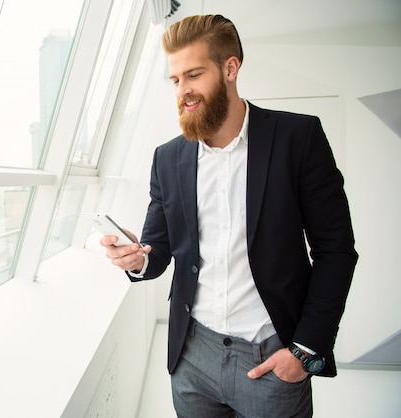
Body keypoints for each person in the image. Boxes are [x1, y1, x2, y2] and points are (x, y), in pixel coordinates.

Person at [100, 14, 357, 417]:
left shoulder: (298, 139)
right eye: (175, 80)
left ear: (230, 68)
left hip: (272, 359)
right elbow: (158, 251)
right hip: (192, 359)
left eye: (194, 75)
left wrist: (304, 352)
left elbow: (336, 251)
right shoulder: (167, 158)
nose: (182, 91)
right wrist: (137, 258)